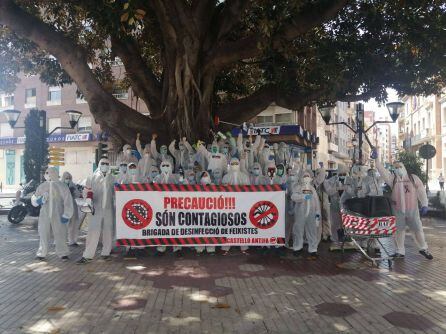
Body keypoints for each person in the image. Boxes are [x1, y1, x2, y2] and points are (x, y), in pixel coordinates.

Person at [375, 156, 433, 260]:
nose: (398, 169)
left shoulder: (413, 178)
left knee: (417, 229)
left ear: (404, 167)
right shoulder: (392, 179)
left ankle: (423, 248)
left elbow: (421, 191)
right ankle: (400, 251)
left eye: (399, 166)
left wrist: (424, 204)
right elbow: (382, 171)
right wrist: (377, 160)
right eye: (395, 167)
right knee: (398, 231)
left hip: (412, 210)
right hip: (398, 210)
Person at [77, 158, 116, 264]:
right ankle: (88, 255)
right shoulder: (92, 177)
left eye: (107, 164)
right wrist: (88, 200)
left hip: (108, 209)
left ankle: (106, 253)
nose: (105, 165)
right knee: (93, 231)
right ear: (99, 165)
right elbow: (86, 191)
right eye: (103, 163)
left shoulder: (112, 178)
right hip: (96, 208)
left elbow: (115, 193)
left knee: (108, 231)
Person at [31, 167, 74, 261]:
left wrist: (67, 214)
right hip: (44, 214)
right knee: (43, 233)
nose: (47, 174)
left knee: (60, 233)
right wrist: (38, 200)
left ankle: (63, 253)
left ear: (54, 173)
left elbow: (68, 201)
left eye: (49, 172)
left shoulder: (62, 186)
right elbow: (34, 199)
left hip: (58, 213)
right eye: (46, 173)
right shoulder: (42, 186)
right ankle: (41, 253)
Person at [153, 160, 182, 255]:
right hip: (161, 207)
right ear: (161, 167)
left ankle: (177, 248)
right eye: (164, 165)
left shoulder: (176, 177)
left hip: (174, 206)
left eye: (167, 165)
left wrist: (182, 179)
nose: (165, 166)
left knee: (175, 227)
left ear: (171, 166)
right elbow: (153, 189)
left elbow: (183, 186)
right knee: (162, 227)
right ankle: (161, 249)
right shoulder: (157, 178)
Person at [221, 158, 250, 254]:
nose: (234, 165)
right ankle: (226, 248)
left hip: (242, 205)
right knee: (228, 226)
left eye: (236, 163)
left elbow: (249, 190)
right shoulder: (225, 177)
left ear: (239, 164)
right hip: (229, 205)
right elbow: (221, 190)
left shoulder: (244, 176)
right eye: (232, 163)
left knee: (241, 225)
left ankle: (244, 248)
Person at [291, 170, 321, 258]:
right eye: (304, 176)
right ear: (301, 178)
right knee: (298, 230)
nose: (306, 178)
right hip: (300, 213)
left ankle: (313, 249)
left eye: (308, 176)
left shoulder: (312, 189)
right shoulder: (298, 187)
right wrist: (302, 197)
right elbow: (293, 197)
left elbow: (316, 203)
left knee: (312, 231)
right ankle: (297, 247)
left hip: (311, 214)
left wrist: (317, 215)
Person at [323, 165, 348, 244]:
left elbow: (354, 191)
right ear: (337, 173)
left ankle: (347, 240)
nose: (342, 176)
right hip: (335, 205)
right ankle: (335, 239)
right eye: (341, 174)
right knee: (335, 223)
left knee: (346, 223)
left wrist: (347, 188)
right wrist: (336, 188)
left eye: (344, 174)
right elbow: (328, 191)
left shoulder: (350, 180)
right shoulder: (331, 180)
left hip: (347, 206)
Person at [62, 171, 82, 246]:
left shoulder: (72, 185)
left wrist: (73, 192)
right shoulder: (60, 185)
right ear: (63, 178)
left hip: (73, 206)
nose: (68, 179)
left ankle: (72, 241)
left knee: (73, 225)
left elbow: (78, 194)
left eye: (69, 178)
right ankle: (60, 240)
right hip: (64, 207)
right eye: (66, 178)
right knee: (63, 225)